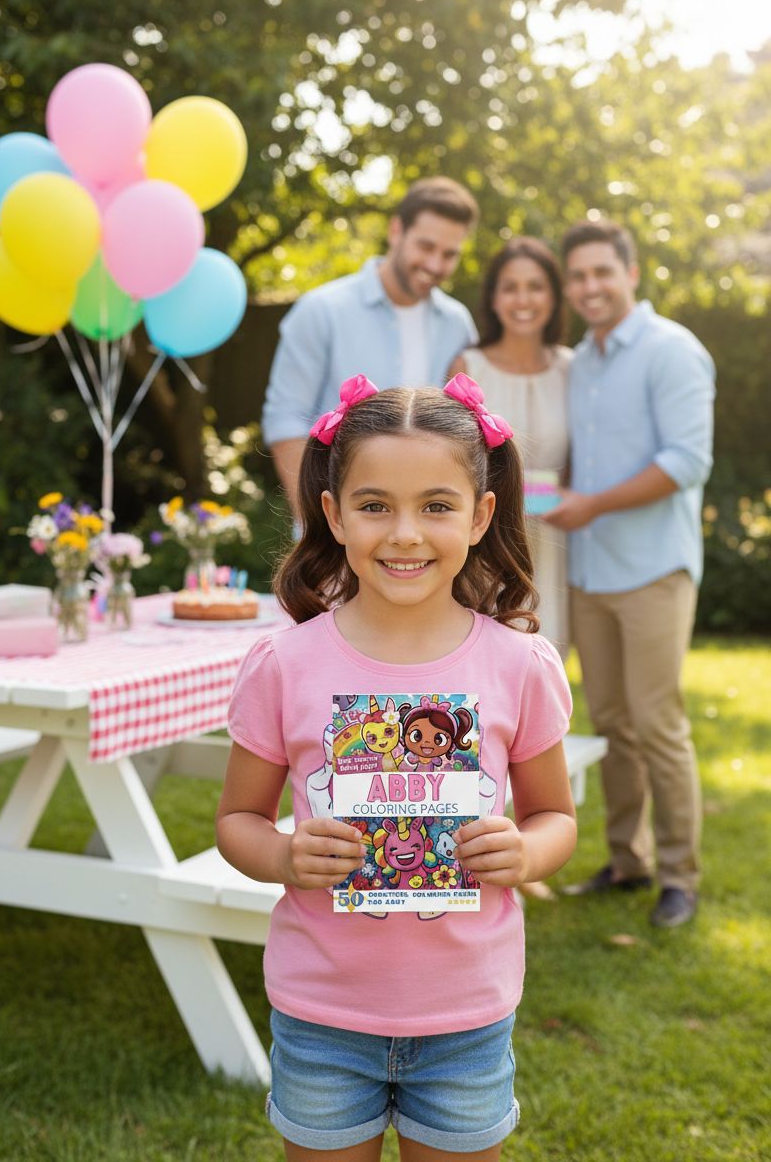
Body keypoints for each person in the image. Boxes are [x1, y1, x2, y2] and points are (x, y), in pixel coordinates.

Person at [218, 374, 577, 1161]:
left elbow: (557, 817)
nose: (405, 534)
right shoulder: (284, 664)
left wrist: (525, 852)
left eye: (436, 506)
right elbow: (237, 820)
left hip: (467, 1016)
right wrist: (283, 855)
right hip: (321, 1013)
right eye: (376, 505)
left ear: (480, 515)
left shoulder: (520, 665)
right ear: (334, 514)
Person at [545, 218, 715, 929]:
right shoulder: (579, 362)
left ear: (631, 274)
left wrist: (593, 504)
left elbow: (687, 461)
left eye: (601, 273)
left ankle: (680, 877)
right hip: (590, 571)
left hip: (652, 571)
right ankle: (627, 861)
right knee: (611, 723)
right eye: (578, 276)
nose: (589, 287)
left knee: (656, 724)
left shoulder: (672, 350)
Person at [262, 177, 480, 517]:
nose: (435, 265)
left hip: (426, 529)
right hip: (340, 528)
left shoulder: (457, 323)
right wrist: (319, 525)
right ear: (396, 231)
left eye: (449, 254)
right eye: (426, 247)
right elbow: (286, 423)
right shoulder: (321, 311)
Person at [449, 237, 572, 654]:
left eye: (535, 286)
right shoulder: (469, 367)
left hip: (554, 542)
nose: (523, 299)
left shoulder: (571, 368)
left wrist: (564, 497)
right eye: (510, 287)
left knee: (548, 661)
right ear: (493, 298)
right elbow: (452, 463)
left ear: (553, 296)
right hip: (486, 542)